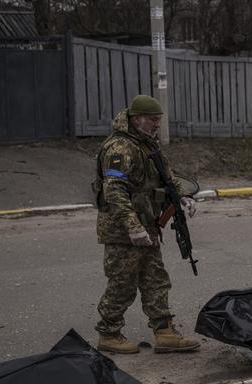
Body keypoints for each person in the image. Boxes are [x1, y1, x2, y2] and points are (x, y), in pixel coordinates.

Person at [92, 95, 200, 354]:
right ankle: (108, 333)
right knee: (123, 282)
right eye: (153, 120)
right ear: (136, 118)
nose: (156, 125)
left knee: (156, 279)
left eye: (159, 120)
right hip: (122, 230)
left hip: (147, 225)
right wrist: (132, 226)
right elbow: (114, 191)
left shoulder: (147, 144)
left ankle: (164, 332)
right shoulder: (120, 148)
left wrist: (182, 197)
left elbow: (167, 176)